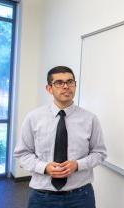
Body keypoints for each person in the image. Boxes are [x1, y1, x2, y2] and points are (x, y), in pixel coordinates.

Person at [14, 66, 107, 208]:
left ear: (75, 85)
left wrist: (77, 165)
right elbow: (22, 154)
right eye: (59, 83)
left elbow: (99, 153)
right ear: (49, 88)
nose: (66, 87)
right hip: (42, 196)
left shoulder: (90, 119)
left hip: (81, 196)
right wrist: (44, 167)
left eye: (70, 82)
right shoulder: (33, 118)